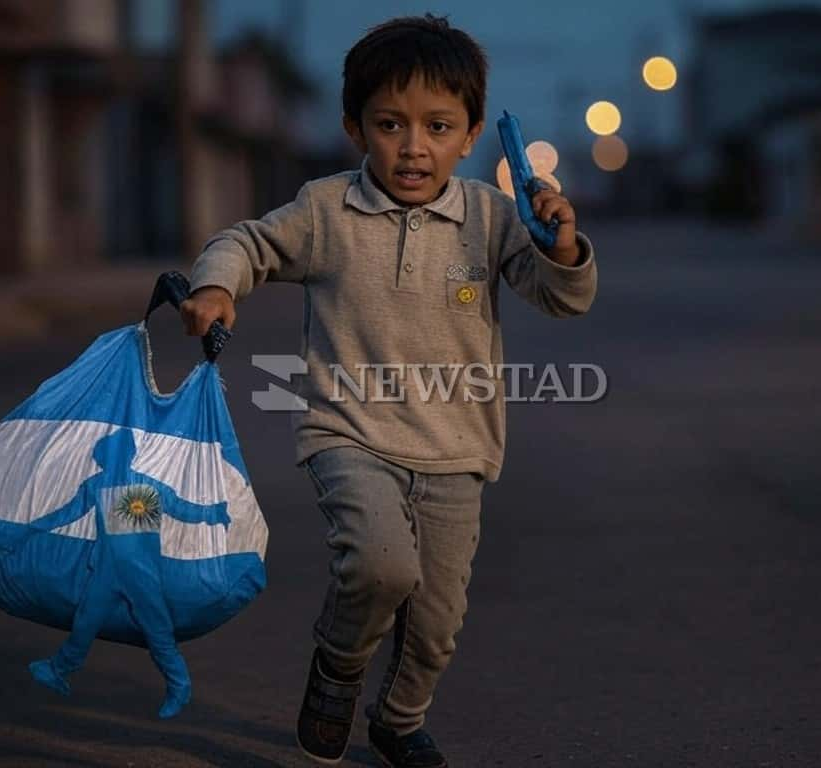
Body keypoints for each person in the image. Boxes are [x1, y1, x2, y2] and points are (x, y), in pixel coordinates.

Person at [181, 14, 597, 767]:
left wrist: (561, 243)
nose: (413, 146)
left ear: (471, 135)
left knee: (437, 620)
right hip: (351, 431)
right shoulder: (325, 210)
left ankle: (399, 718)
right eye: (390, 124)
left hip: (456, 449)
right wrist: (216, 286)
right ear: (355, 128)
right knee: (380, 566)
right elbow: (246, 242)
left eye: (438, 126)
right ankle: (338, 668)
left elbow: (561, 297)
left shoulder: (492, 217)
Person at [27, 428, 230, 719]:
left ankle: (179, 685)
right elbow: (68, 513)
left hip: (141, 575)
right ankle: (59, 669)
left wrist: (213, 513)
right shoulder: (99, 485)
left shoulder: (146, 487)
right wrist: (37, 526)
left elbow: (184, 509)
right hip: (107, 572)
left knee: (157, 630)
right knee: (85, 622)